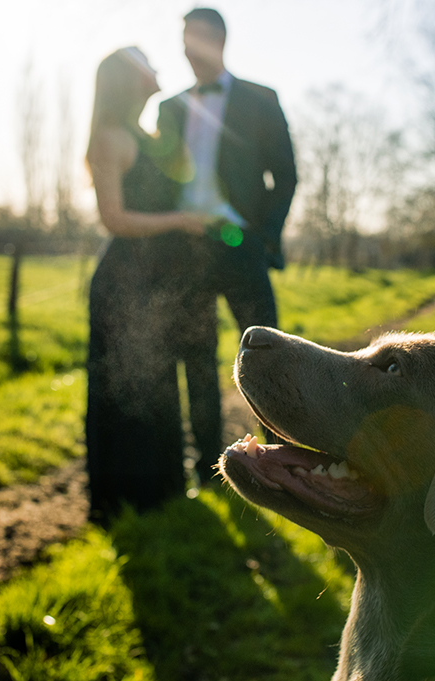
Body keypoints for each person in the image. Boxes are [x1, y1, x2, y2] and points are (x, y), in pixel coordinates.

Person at [157, 7, 298, 479]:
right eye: (180, 41)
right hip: (185, 247)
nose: (183, 51)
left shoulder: (261, 99)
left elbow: (287, 175)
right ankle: (206, 469)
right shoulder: (169, 108)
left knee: (266, 356)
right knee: (196, 358)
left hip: (242, 245)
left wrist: (264, 237)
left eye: (191, 40)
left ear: (217, 41)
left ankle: (283, 462)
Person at [84, 46, 218, 525]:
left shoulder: (148, 134)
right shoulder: (110, 138)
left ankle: (161, 492)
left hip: (156, 283)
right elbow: (113, 218)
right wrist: (181, 220)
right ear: (129, 79)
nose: (158, 71)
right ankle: (125, 499)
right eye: (148, 66)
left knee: (157, 383)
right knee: (123, 385)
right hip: (123, 285)